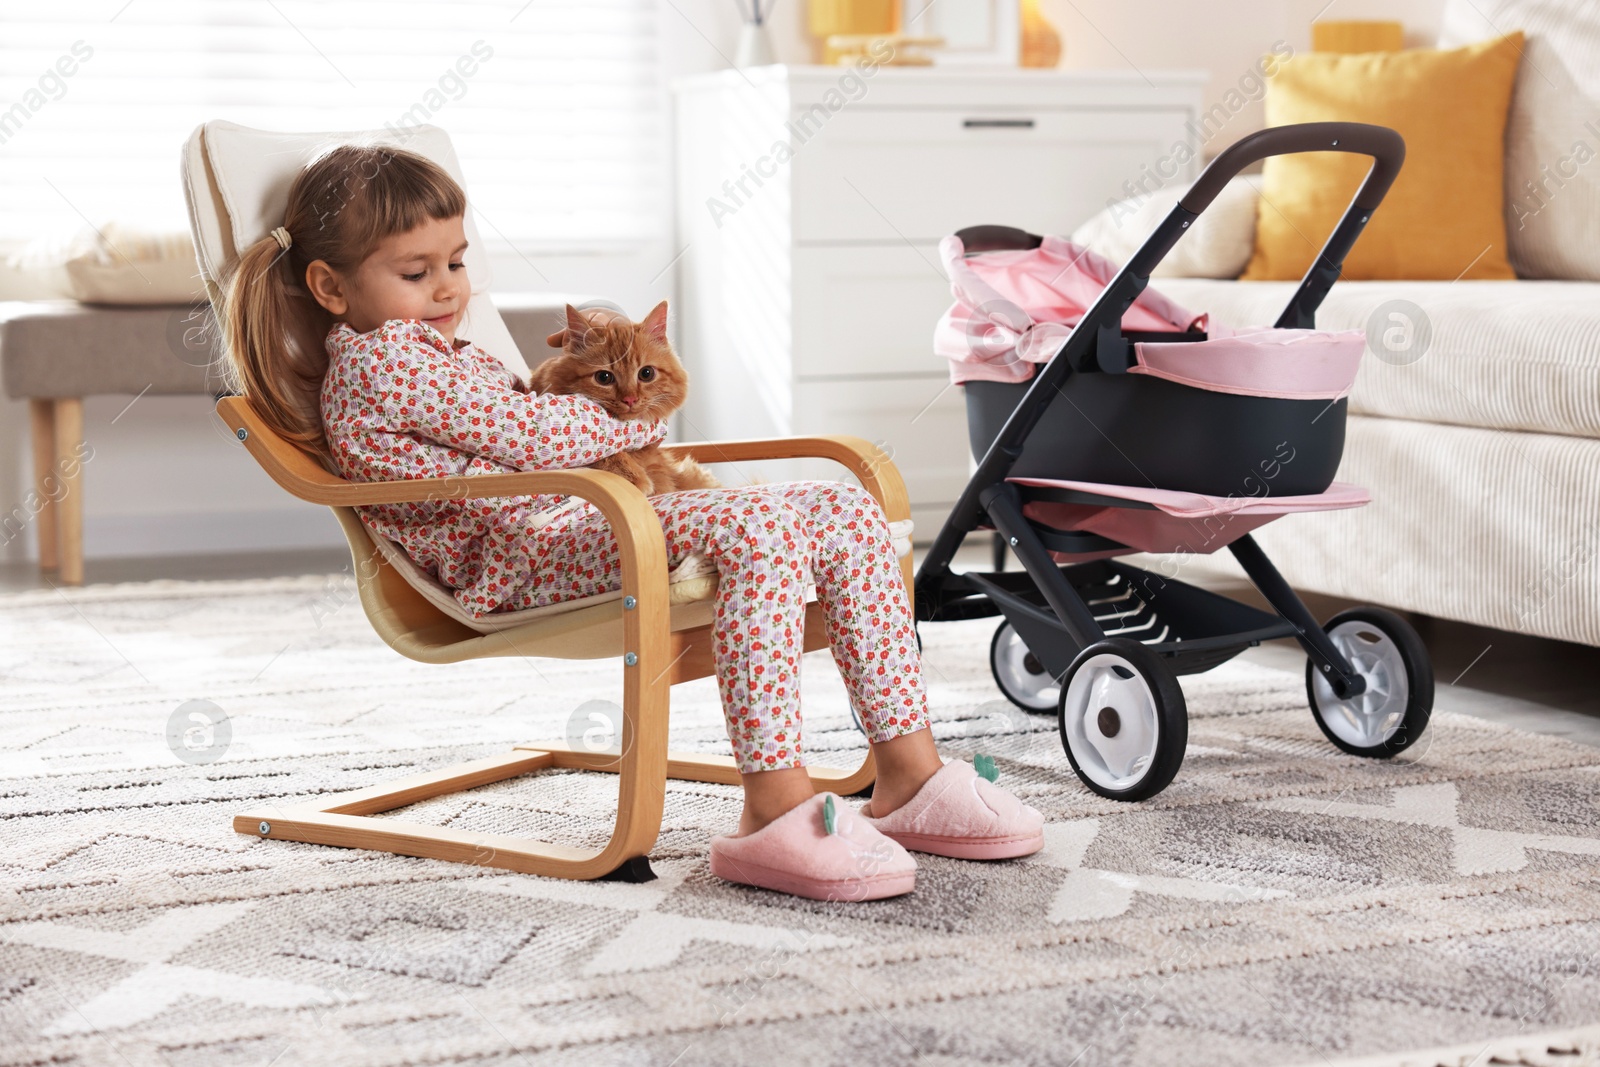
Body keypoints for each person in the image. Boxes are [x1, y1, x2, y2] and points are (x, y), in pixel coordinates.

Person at [220, 144, 1043, 901]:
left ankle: (908, 770)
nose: (448, 287)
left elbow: (548, 423)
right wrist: (636, 423)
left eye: (457, 262)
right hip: (508, 558)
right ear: (331, 288)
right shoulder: (384, 359)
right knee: (760, 528)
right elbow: (539, 434)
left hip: (569, 524)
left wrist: (609, 424)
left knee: (845, 506)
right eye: (417, 270)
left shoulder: (442, 350)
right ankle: (774, 804)